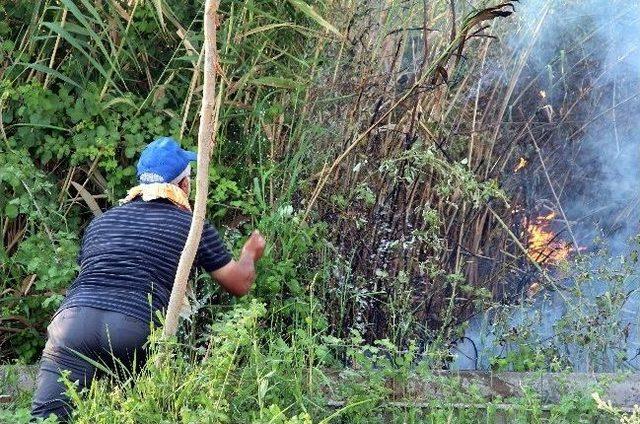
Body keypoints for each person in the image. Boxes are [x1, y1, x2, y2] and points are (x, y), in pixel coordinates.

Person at [30, 137, 266, 422]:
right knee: (139, 413)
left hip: (72, 324)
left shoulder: (103, 222)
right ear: (184, 186)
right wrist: (250, 253)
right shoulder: (192, 225)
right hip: (133, 325)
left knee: (48, 418)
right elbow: (239, 284)